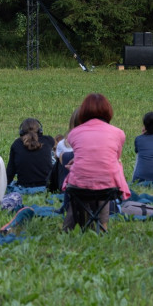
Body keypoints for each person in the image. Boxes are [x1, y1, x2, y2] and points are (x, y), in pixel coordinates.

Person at [62, 94, 130, 231]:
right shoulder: (118, 133)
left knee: (84, 182)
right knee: (105, 178)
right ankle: (102, 226)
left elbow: (83, 156)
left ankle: (68, 228)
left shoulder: (74, 133)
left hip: (79, 185)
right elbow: (113, 158)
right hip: (108, 186)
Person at [6, 118, 55, 189]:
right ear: (40, 131)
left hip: (24, 186)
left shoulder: (16, 144)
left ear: (21, 132)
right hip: (46, 185)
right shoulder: (48, 140)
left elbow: (10, 172)